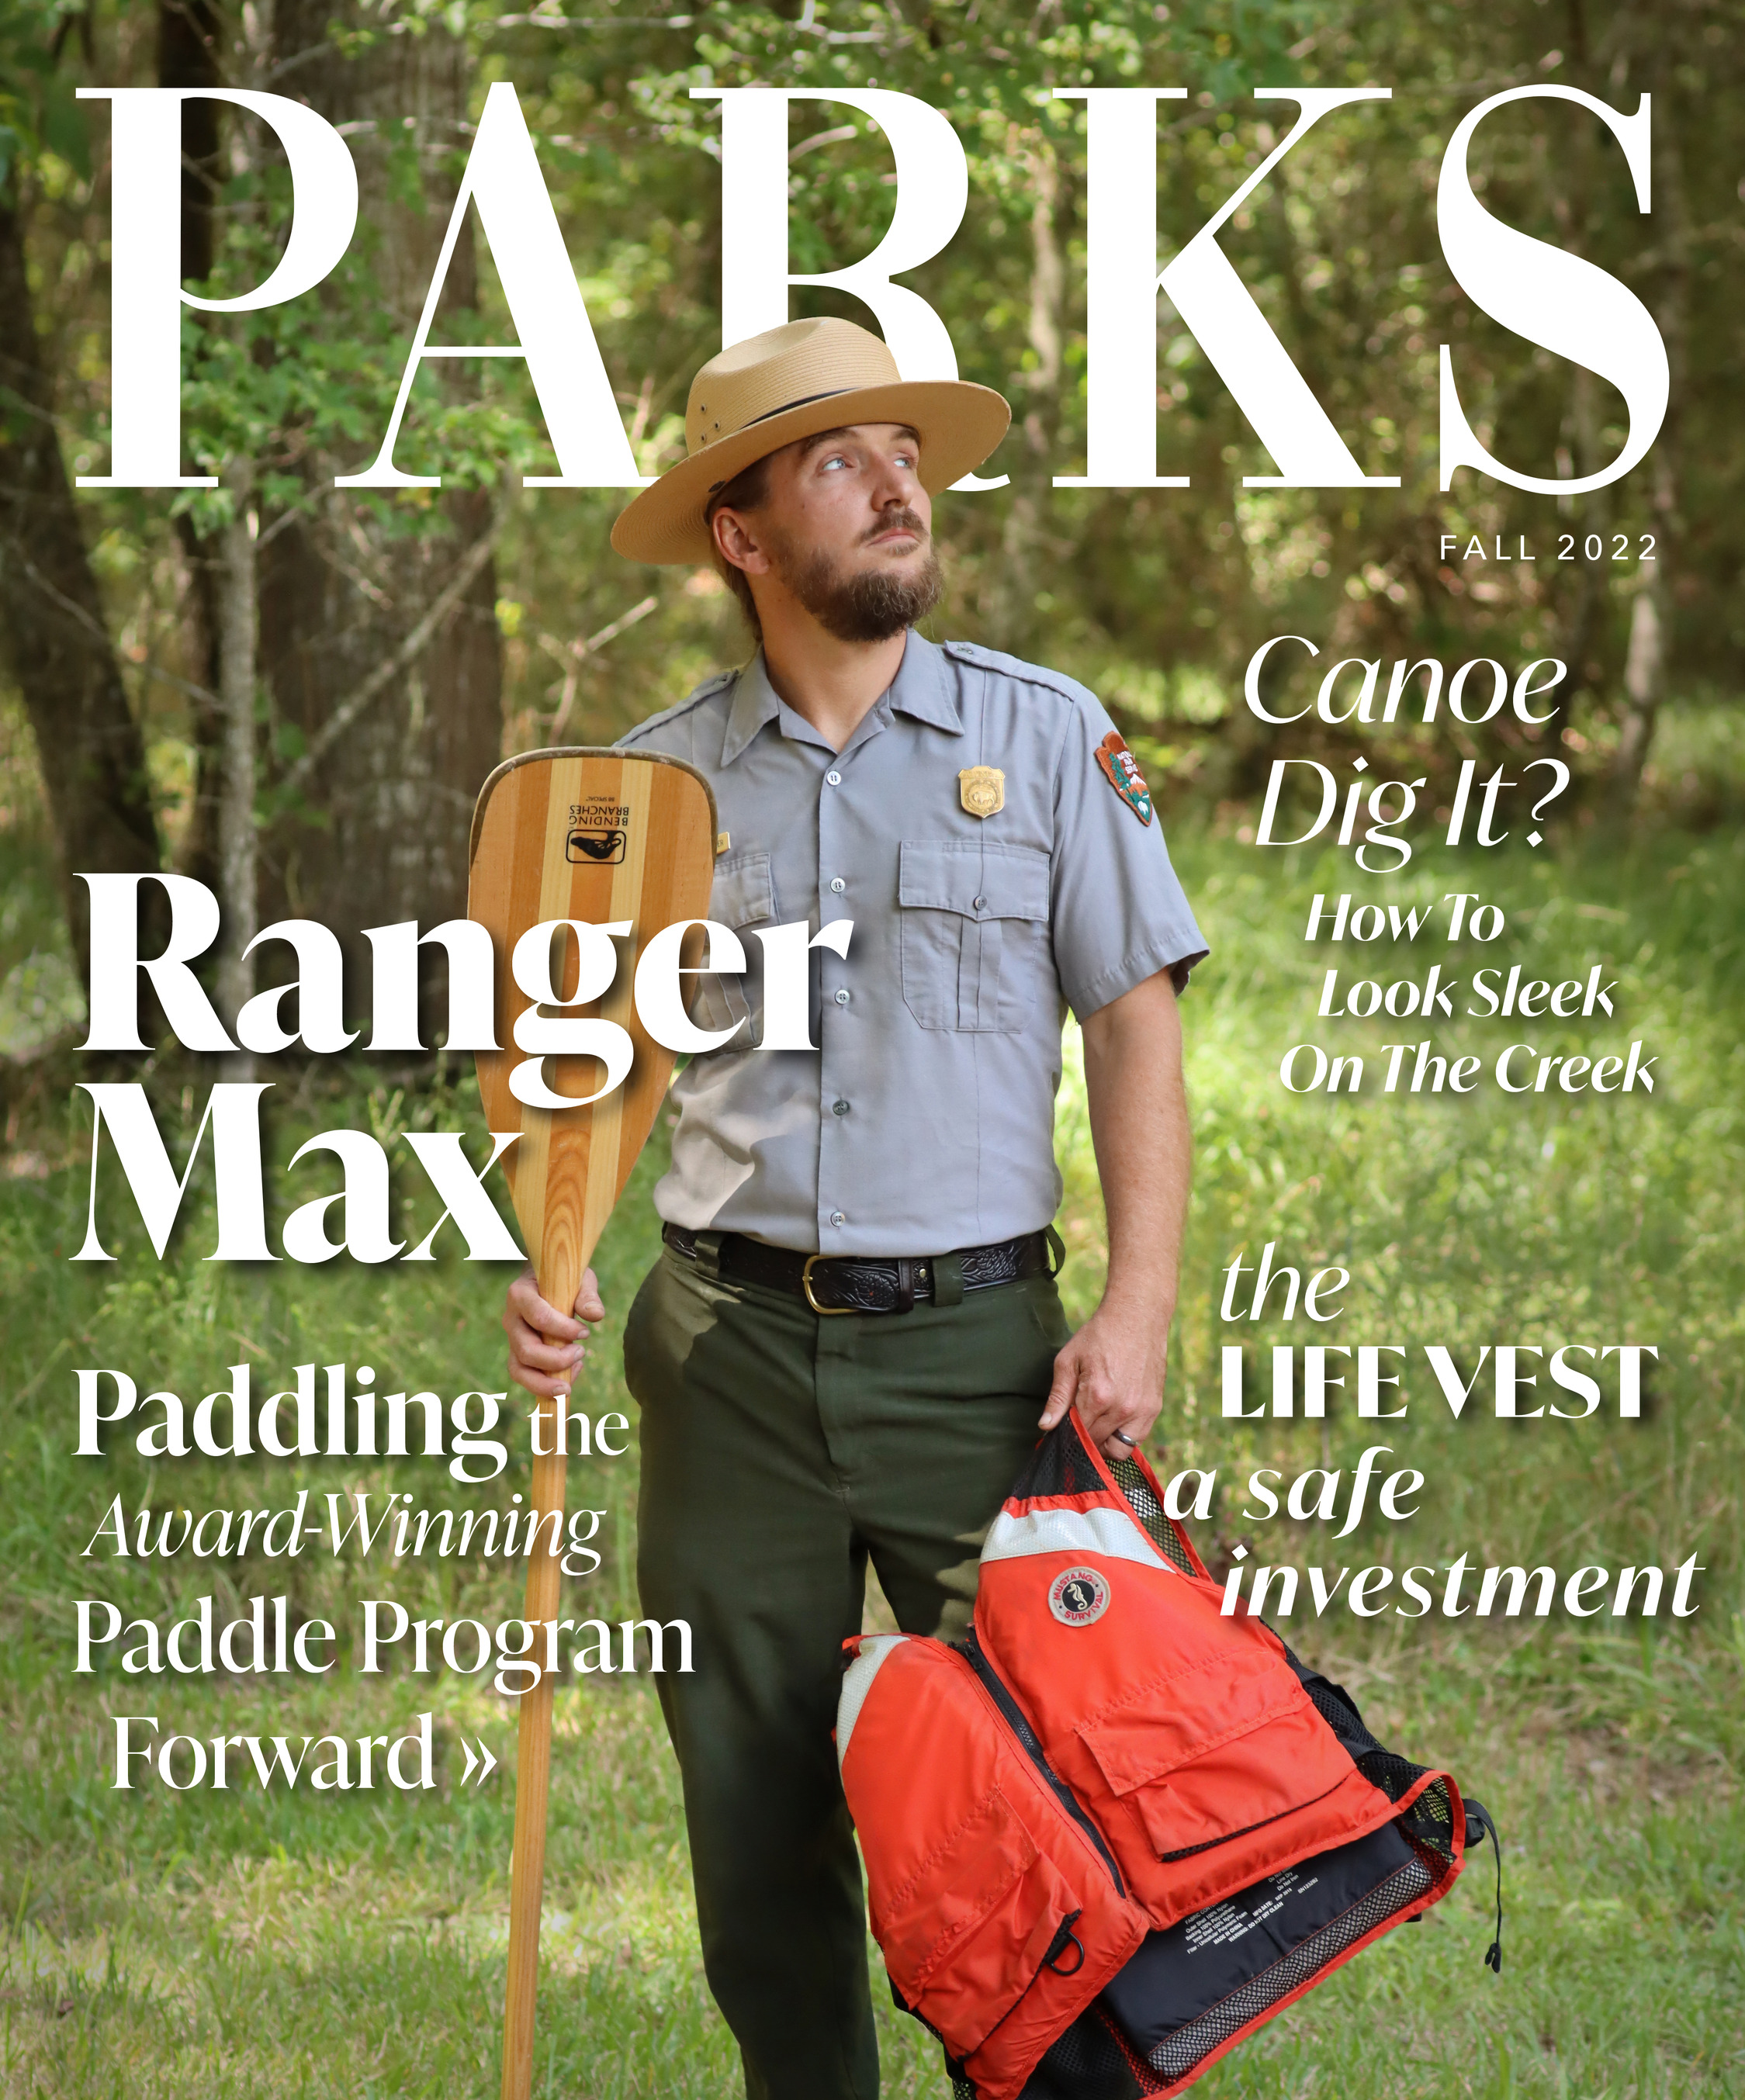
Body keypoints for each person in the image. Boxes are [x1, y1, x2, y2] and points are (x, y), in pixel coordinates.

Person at [503, 315, 1207, 2100]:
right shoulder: (648, 791)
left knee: (1050, 1807)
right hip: (723, 1357)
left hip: (986, 1363)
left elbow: (1135, 1020)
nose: (900, 485)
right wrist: (551, 1265)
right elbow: (582, 1077)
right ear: (741, 535)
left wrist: (1133, 1307)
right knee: (755, 1836)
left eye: (906, 453)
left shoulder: (1047, 739)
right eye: (841, 461)